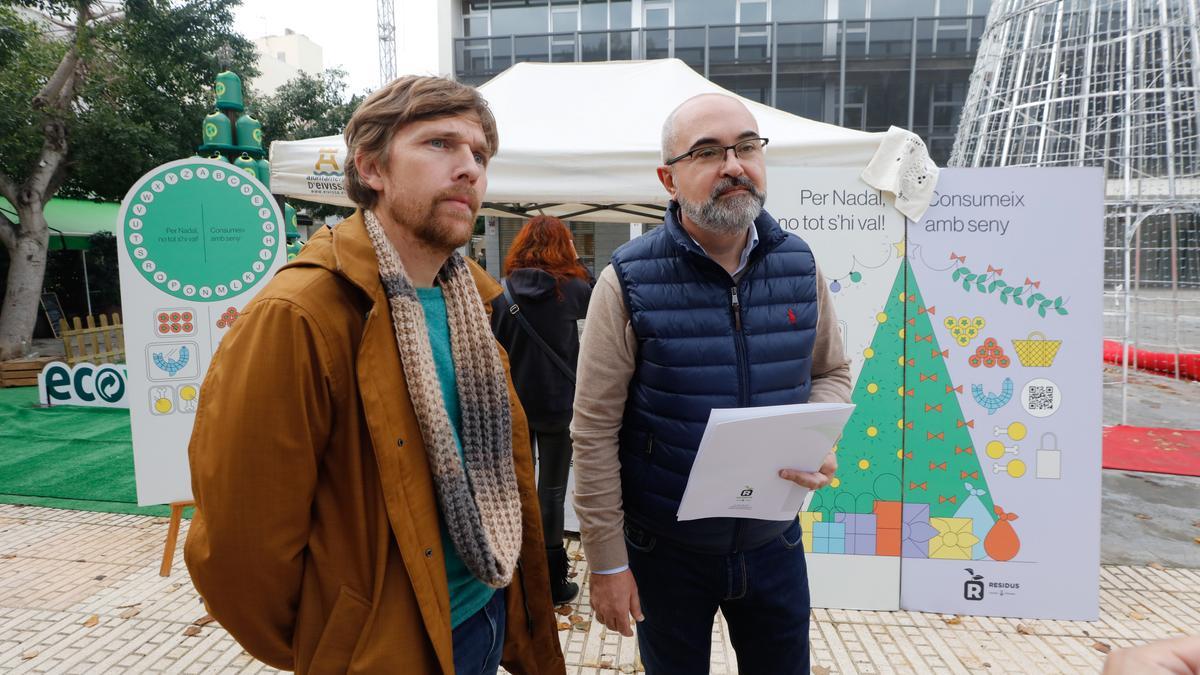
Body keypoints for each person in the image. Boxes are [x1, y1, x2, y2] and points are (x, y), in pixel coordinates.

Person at [185, 75, 565, 675]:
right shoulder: (301, 314)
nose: (469, 168)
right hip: (388, 645)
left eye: (479, 154)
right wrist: (338, 639)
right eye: (440, 144)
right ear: (372, 169)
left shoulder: (473, 304)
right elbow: (240, 549)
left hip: (485, 610)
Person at [571, 93, 851, 674]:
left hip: (774, 543)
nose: (733, 165)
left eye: (747, 146)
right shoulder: (625, 280)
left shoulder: (801, 266)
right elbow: (594, 432)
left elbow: (831, 372)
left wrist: (817, 439)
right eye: (707, 152)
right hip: (666, 551)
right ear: (668, 178)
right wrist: (605, 562)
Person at [490, 215, 593, 606]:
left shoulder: (502, 291)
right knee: (551, 493)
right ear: (562, 246)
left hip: (513, 406)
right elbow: (599, 293)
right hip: (558, 406)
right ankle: (551, 582)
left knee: (515, 491)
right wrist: (575, 259)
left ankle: (516, 575)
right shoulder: (573, 289)